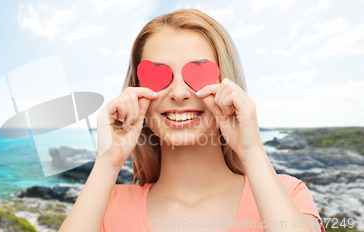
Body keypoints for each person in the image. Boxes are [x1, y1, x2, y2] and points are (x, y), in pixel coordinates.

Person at [58, 8, 324, 232]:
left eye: (198, 74)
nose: (178, 93)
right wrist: (107, 162)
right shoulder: (106, 207)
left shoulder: (287, 195)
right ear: (137, 92)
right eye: (159, 76)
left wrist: (251, 151)